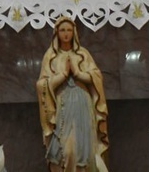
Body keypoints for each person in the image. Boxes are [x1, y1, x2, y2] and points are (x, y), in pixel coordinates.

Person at [37, 16, 108, 172]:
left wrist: (77, 73)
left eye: (69, 30)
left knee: (85, 149)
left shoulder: (83, 54)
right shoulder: (51, 56)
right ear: (57, 33)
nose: (66, 33)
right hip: (62, 106)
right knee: (67, 150)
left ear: (74, 32)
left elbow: (96, 77)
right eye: (62, 30)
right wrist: (62, 75)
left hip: (83, 103)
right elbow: (41, 84)